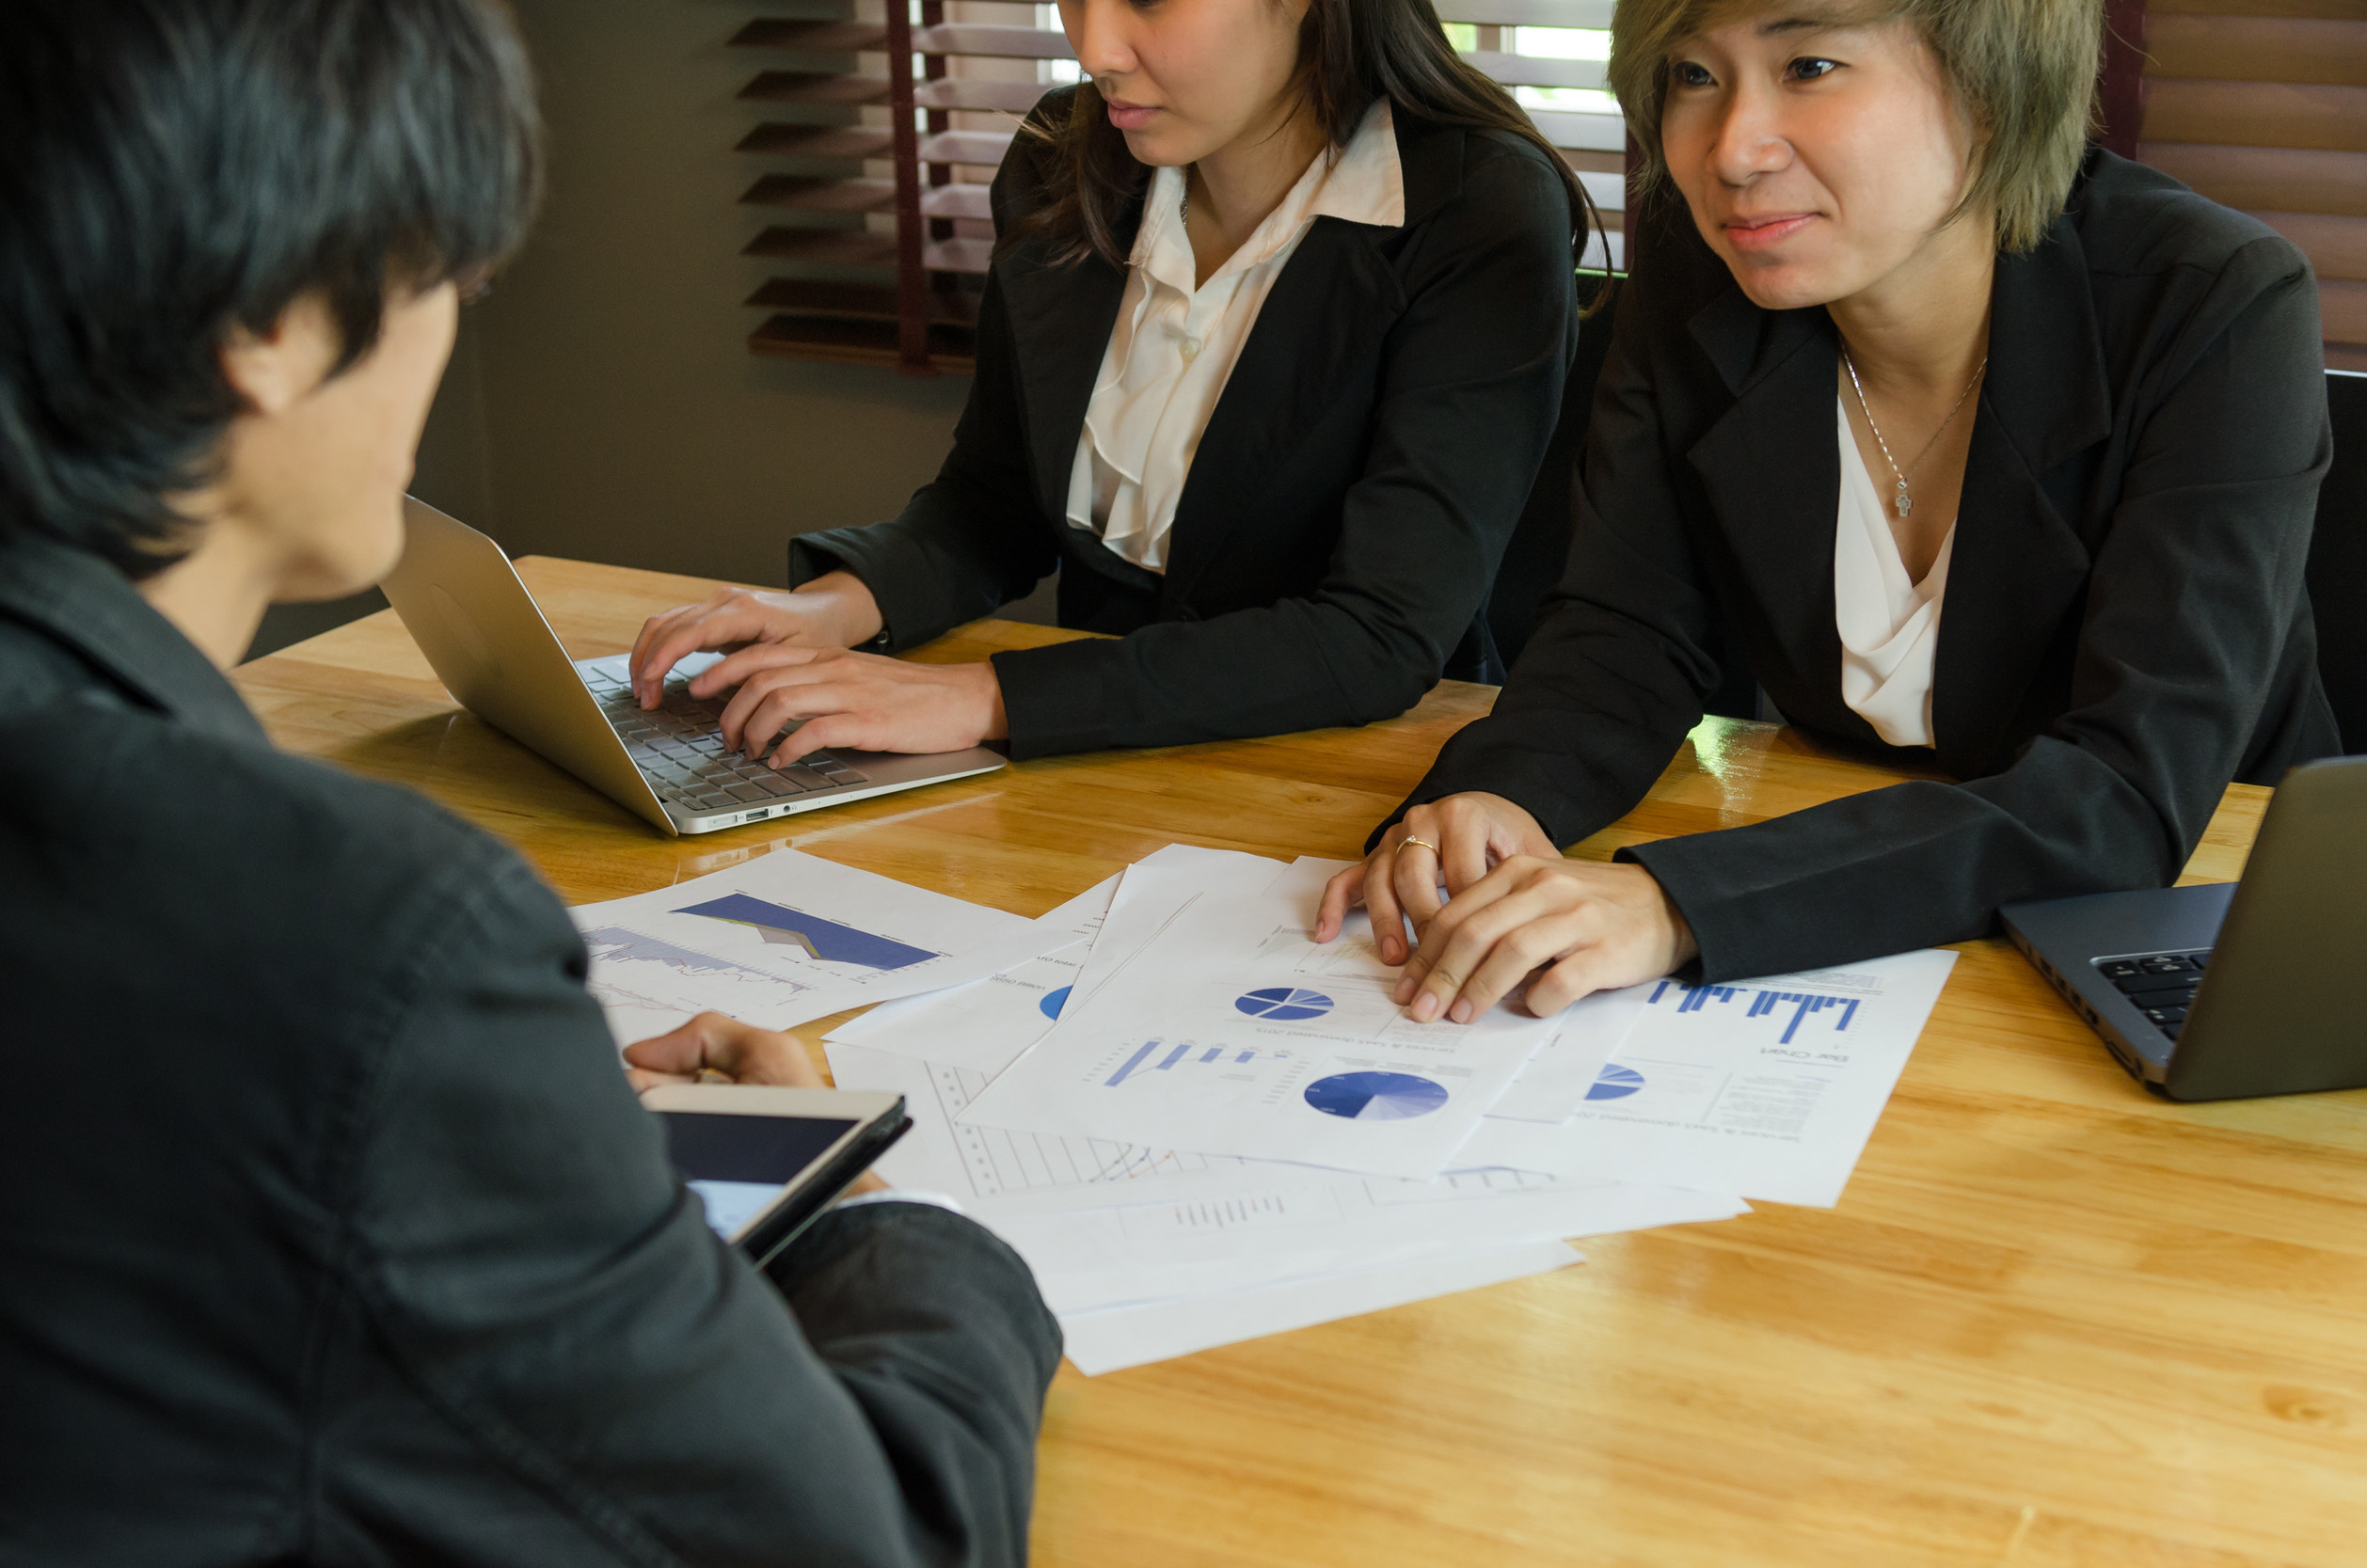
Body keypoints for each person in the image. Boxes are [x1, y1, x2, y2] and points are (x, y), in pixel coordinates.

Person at [0, 3, 1057, 1563]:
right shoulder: (366, 940)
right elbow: (871, 1538)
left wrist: (508, 1145)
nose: (462, 315)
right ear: (271, 322)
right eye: (445, 267)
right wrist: (870, 1217)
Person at [1317, 0, 2339, 1023]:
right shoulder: (1700, 272)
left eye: (1806, 65)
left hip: (2196, 929)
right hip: (1865, 916)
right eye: (1690, 76)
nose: (1731, 151)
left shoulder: (2213, 302)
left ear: (1987, 86)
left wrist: (1675, 901)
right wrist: (1501, 795)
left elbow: (2120, 791)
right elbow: (1623, 634)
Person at [627, 0, 1592, 765]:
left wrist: (980, 698)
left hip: (1344, 772)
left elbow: (1374, 636)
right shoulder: (1063, 155)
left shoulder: (1478, 211)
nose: (1095, 47)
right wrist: (830, 609)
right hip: (1089, 764)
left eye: (1146, 0)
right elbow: (996, 500)